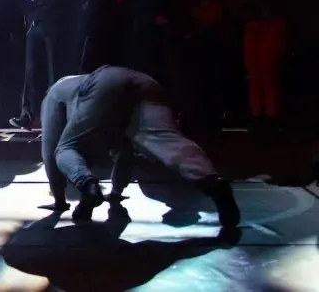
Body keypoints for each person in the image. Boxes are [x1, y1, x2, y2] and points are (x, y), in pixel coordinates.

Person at [40, 66, 240, 229]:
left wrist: (59, 200)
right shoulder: (101, 112)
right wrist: (115, 194)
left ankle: (87, 185)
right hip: (145, 83)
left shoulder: (53, 94)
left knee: (65, 148)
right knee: (168, 140)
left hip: (104, 82)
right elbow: (124, 153)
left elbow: (49, 151)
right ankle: (212, 182)